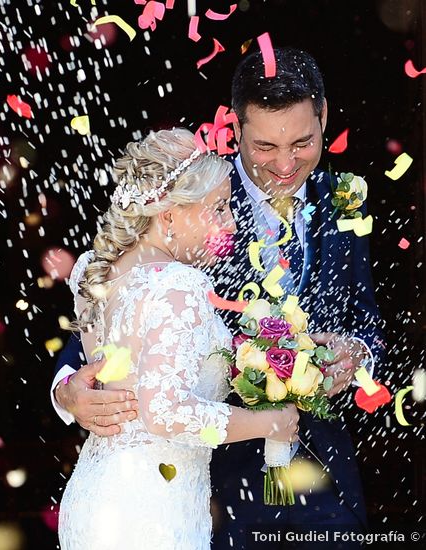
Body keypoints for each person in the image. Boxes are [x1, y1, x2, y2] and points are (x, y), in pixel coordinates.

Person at [52, 48, 385, 549]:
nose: (285, 163)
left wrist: (358, 353)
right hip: (215, 494)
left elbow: (368, 320)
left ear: (324, 117)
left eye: (302, 142)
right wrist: (66, 391)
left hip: (326, 483)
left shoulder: (346, 200)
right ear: (235, 128)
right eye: (264, 146)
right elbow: (110, 320)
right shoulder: (191, 204)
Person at [58, 127, 300, 549]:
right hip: (149, 515)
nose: (230, 222)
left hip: (97, 498)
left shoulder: (95, 272)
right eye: (219, 208)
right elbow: (166, 413)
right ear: (168, 215)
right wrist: (270, 422)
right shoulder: (179, 284)